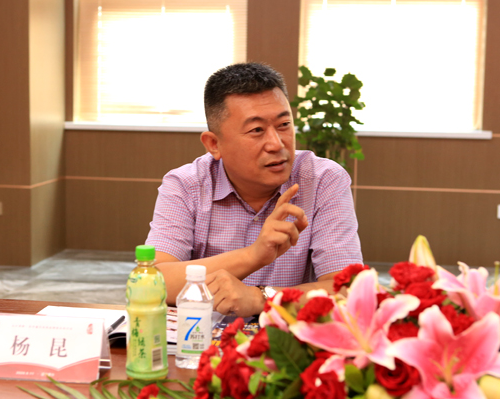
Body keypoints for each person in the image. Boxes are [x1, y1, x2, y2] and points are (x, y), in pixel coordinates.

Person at [146, 63, 362, 317]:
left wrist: (262, 298)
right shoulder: (186, 185)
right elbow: (152, 283)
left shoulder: (322, 180)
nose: (276, 143)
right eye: (257, 130)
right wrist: (254, 255)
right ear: (214, 144)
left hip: (288, 336)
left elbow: (347, 291)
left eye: (284, 124)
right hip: (201, 336)